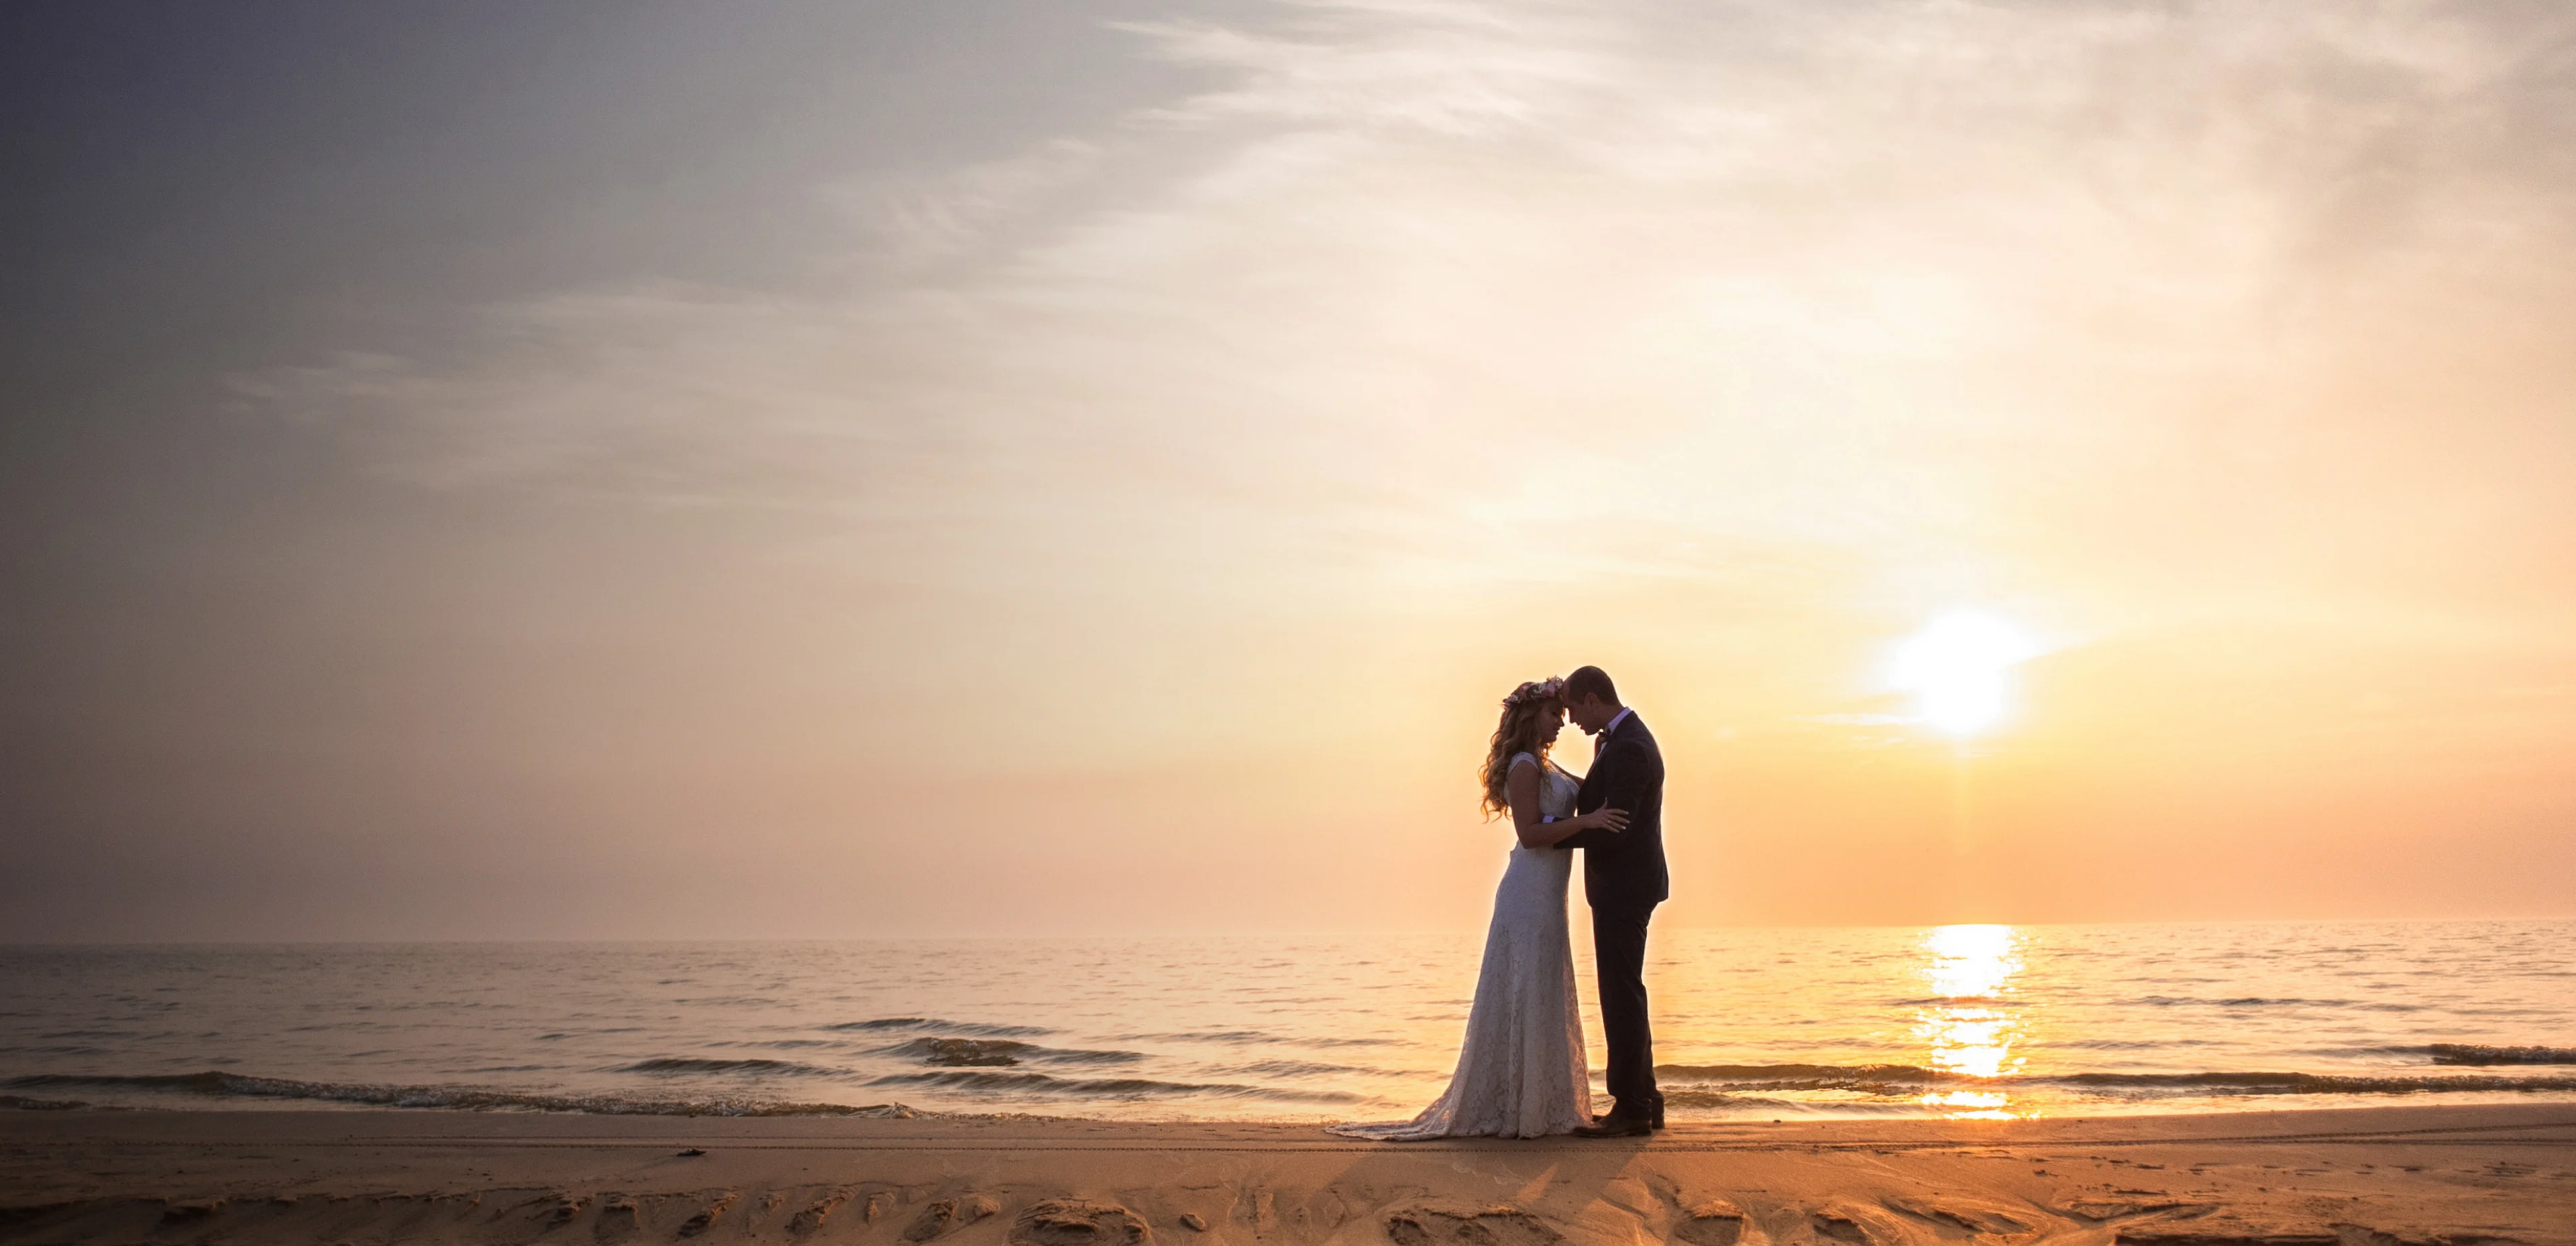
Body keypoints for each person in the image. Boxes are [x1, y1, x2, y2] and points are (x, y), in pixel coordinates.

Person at [1326, 676, 1628, 1139]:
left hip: (1550, 895)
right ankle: (1515, 1106)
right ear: (1531, 717)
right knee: (1524, 985)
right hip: (1527, 893)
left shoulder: (1550, 767)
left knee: (1542, 985)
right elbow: (1530, 832)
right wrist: (1585, 821)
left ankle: (1541, 1103)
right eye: (1553, 715)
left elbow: (1584, 795)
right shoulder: (1525, 766)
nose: (1561, 724)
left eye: (1563, 716)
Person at [1552, 665, 1670, 1136]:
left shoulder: (1630, 749)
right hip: (1626, 885)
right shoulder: (1617, 743)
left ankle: (1633, 1107)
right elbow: (1602, 806)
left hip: (1625, 886)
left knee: (1620, 994)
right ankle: (1646, 1098)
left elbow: (1615, 825)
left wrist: (1550, 837)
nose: (1572, 720)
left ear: (1595, 699)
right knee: (1626, 991)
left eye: (1575, 709)